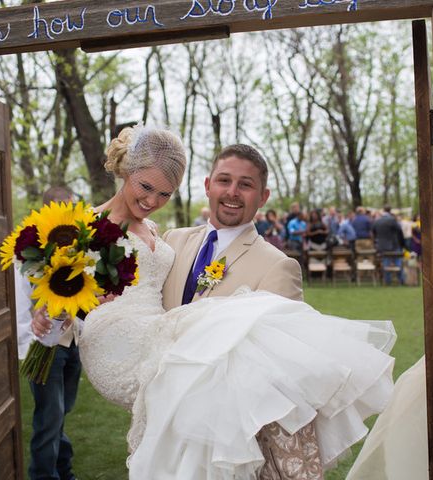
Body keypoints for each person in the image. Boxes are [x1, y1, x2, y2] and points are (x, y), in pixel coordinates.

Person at [34, 126, 395, 479]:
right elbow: (60, 303)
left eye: (164, 194)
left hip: (176, 364)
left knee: (244, 332)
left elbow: (283, 364)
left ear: (262, 196)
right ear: (208, 186)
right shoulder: (97, 229)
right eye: (146, 188)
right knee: (217, 336)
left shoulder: (165, 235)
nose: (152, 201)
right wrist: (50, 323)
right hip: (127, 344)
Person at [20, 185, 82, 480]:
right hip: (45, 345)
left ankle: (64, 469)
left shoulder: (78, 247)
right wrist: (34, 316)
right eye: (63, 209)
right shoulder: (32, 248)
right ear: (48, 210)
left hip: (73, 343)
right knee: (49, 419)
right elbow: (24, 297)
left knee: (58, 415)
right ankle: (45, 475)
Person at [372, 205, 406, 285]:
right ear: (390, 211)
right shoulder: (392, 220)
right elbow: (399, 232)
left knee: (386, 263)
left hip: (382, 246)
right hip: (394, 245)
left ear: (383, 210)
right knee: (398, 262)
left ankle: (387, 281)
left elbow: (374, 233)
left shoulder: (377, 221)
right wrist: (402, 244)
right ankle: (401, 280)